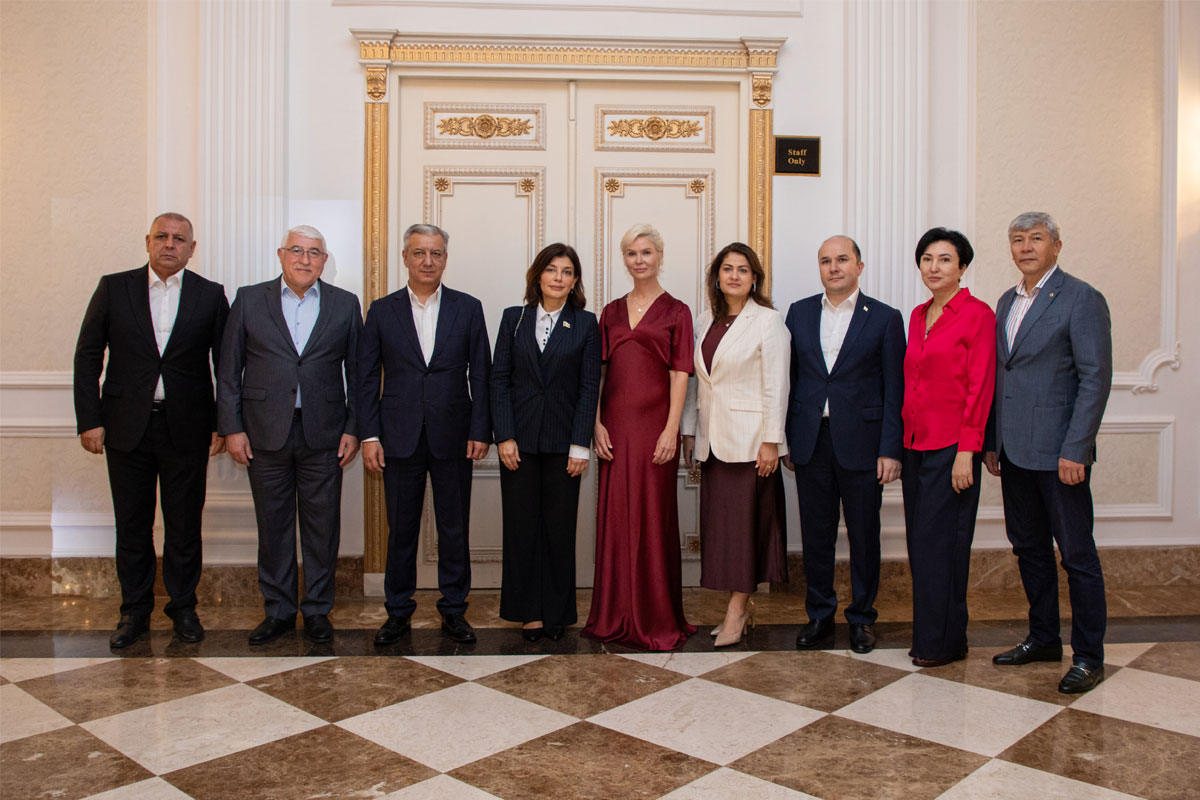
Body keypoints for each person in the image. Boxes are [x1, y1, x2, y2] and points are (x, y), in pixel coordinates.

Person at [74, 213, 229, 648]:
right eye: (162, 236)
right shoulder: (114, 288)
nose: (169, 244)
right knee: (133, 525)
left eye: (179, 239)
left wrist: (223, 423)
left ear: (192, 249)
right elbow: (88, 356)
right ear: (147, 241)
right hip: (126, 427)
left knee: (184, 526)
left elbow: (227, 365)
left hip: (188, 428)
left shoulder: (210, 295)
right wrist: (90, 420)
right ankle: (134, 612)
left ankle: (183, 608)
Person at [984, 212, 1112, 694]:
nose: (1026, 247)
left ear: (1056, 245)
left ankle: (1089, 656)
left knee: (1076, 555)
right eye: (1018, 239)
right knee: (1029, 549)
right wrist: (992, 442)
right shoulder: (1006, 301)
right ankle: (1043, 638)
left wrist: (1076, 448)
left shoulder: (1081, 298)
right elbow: (1004, 376)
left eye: (1036, 238)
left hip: (1061, 455)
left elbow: (1095, 379)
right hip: (1014, 452)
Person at [218, 225, 362, 645]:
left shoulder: (345, 304)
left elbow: (360, 374)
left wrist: (354, 428)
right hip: (263, 433)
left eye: (314, 252)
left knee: (322, 528)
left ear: (324, 261)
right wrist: (232, 428)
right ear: (281, 255)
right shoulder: (249, 299)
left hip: (325, 434)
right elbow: (228, 370)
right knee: (273, 526)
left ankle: (317, 610)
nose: (304, 259)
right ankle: (278, 610)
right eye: (296, 250)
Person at [358, 223, 491, 646]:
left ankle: (454, 610)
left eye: (435, 253)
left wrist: (480, 429)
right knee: (401, 531)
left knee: (454, 529)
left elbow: (481, 374)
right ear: (405, 258)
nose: (427, 261)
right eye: (419, 253)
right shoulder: (382, 310)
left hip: (455, 436)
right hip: (398, 438)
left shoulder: (468, 308)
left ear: (445, 259)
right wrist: (369, 435)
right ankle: (397, 612)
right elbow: (366, 378)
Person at [783, 235, 905, 654]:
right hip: (811, 441)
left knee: (864, 535)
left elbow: (895, 388)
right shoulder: (799, 313)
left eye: (842, 259)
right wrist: (787, 438)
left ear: (859, 266)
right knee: (816, 535)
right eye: (825, 261)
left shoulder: (885, 318)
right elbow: (790, 380)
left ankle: (861, 618)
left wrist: (890, 449)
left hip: (864, 445)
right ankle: (819, 615)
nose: (833, 267)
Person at [582, 223, 696, 651]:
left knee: (652, 518)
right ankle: (615, 614)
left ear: (659, 256)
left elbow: (680, 374)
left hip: (655, 431)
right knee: (616, 520)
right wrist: (595, 423)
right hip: (614, 428)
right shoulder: (610, 312)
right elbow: (597, 373)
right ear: (624, 259)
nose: (639, 260)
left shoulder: (677, 311)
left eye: (646, 252)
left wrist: (671, 429)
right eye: (631, 253)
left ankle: (655, 616)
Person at [681, 242, 789, 648]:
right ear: (717, 277)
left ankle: (738, 609)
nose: (734, 276)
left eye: (743, 270)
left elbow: (777, 384)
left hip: (751, 445)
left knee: (746, 531)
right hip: (713, 443)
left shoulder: (768, 321)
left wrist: (771, 441)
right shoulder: (705, 320)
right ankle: (736, 606)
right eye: (727, 269)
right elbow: (698, 382)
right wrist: (689, 431)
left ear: (754, 278)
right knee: (724, 532)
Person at [491, 243, 601, 642]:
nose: (558, 277)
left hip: (564, 446)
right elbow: (498, 379)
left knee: (558, 530)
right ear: (538, 275)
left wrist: (580, 445)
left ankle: (556, 613)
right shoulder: (514, 318)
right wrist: (504, 435)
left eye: (567, 271)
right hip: (517, 444)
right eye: (551, 269)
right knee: (522, 529)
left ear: (575, 281)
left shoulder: (586, 324)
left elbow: (589, 388)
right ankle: (528, 613)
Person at [901, 227, 996, 667]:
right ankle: (942, 638)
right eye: (927, 259)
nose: (934, 267)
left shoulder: (978, 315)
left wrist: (966, 451)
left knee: (942, 546)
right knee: (922, 546)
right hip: (915, 445)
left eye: (944, 259)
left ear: (962, 267)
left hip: (953, 448)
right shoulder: (918, 315)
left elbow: (980, 386)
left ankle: (938, 644)